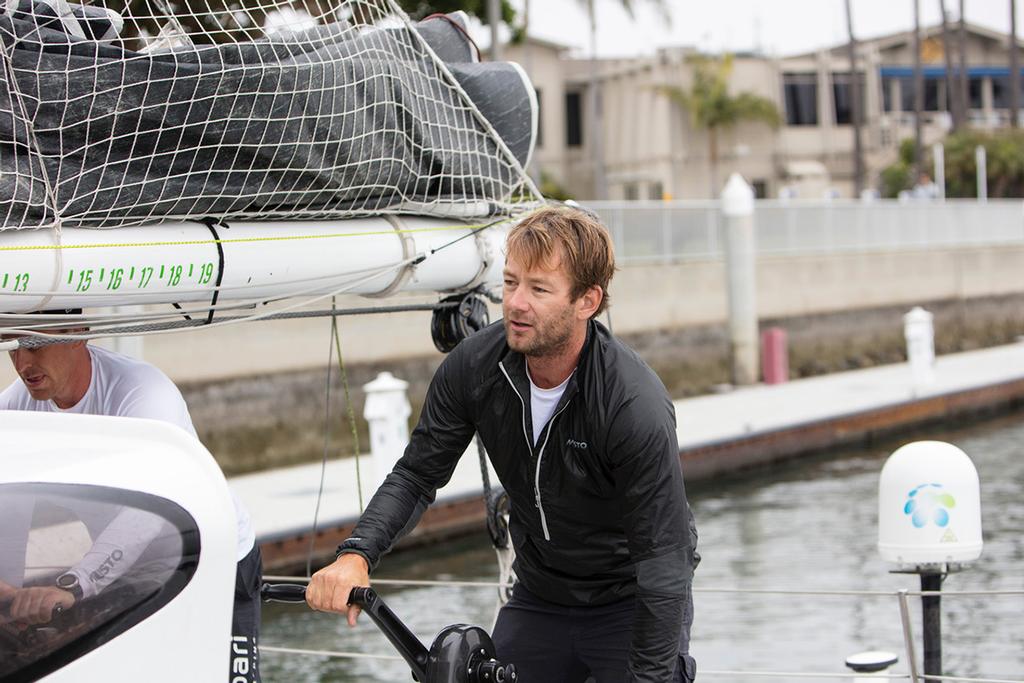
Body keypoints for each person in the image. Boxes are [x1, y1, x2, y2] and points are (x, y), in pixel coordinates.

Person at [307, 206, 699, 682]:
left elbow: (663, 561)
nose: (515, 302)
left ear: (587, 301)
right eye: (511, 282)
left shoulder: (632, 404)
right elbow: (416, 475)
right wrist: (356, 554)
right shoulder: (475, 368)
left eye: (538, 289)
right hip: (541, 594)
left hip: (629, 601)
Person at [0, 314, 263, 683]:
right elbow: (7, 516)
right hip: (123, 571)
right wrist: (9, 600)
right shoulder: (14, 409)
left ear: (80, 333)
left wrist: (75, 584)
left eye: (34, 343)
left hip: (211, 558)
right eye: (12, 346)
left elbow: (150, 511)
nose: (23, 363)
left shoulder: (143, 393)